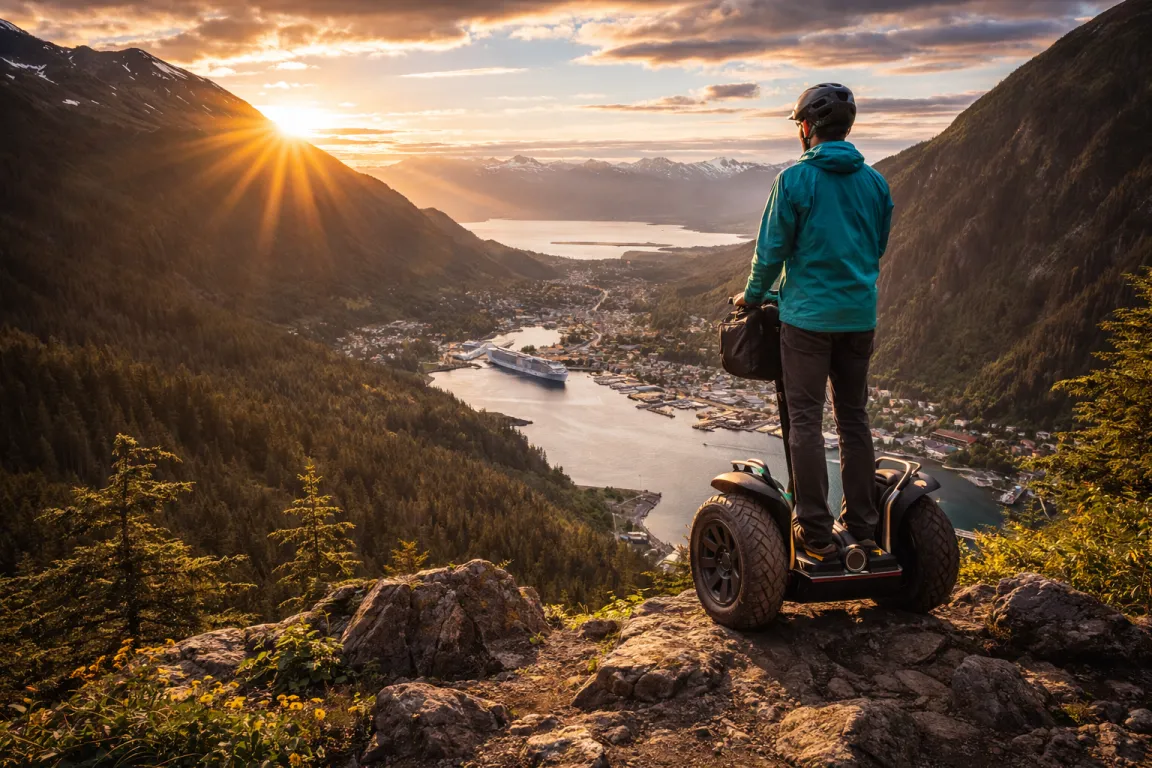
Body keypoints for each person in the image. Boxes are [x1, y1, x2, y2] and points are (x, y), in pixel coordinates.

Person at [735, 83, 894, 557]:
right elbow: (876, 246)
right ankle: (864, 526)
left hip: (806, 320)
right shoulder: (875, 182)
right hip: (858, 317)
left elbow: (770, 252)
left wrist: (751, 297)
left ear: (806, 128)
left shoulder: (794, 181)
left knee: (805, 420)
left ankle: (815, 532)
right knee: (853, 417)